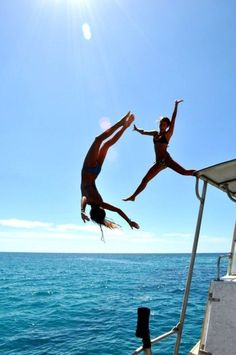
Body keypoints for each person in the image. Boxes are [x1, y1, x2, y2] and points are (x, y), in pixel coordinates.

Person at [123, 100, 195, 201]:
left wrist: (176, 105)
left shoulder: (167, 134)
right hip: (159, 163)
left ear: (167, 126)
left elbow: (173, 119)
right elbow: (144, 132)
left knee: (183, 172)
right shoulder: (155, 133)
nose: (162, 126)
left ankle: (198, 173)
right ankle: (133, 196)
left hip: (166, 159)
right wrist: (137, 130)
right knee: (145, 180)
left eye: (164, 125)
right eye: (161, 124)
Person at [81, 112, 140, 236]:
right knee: (99, 141)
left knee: (106, 145)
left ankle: (124, 126)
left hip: (95, 171)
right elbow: (84, 198)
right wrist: (82, 210)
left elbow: (118, 210)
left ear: (101, 210)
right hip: (89, 170)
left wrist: (129, 221)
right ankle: (121, 124)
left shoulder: (99, 202)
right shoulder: (92, 201)